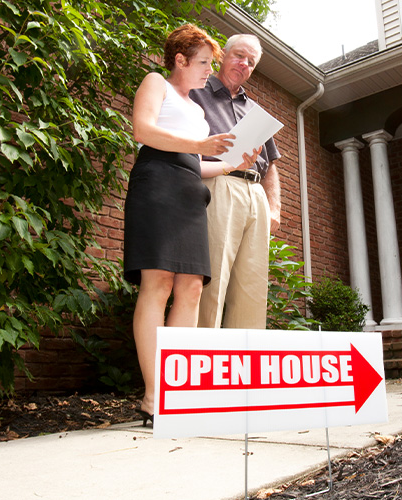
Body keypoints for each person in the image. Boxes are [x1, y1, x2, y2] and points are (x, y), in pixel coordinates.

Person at [124, 24, 261, 424]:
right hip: (156, 187)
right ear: (180, 60)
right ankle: (153, 397)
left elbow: (196, 164)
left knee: (191, 290)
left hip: (190, 193)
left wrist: (232, 164)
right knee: (158, 284)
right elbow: (143, 130)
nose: (207, 71)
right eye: (202, 63)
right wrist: (199, 145)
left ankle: (176, 393)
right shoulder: (156, 83)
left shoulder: (199, 111)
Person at [191, 34, 282, 331]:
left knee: (253, 286)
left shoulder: (256, 112)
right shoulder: (195, 93)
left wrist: (274, 208)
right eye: (239, 56)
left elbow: (271, 166)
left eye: (251, 62)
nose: (243, 64)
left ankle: (245, 369)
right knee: (212, 278)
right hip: (219, 185)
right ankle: (203, 362)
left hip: (255, 194)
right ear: (224, 56)